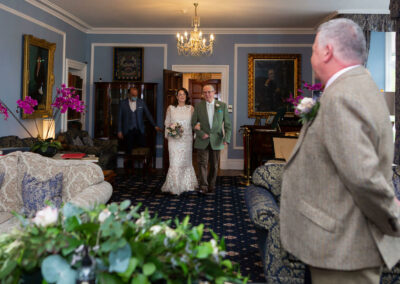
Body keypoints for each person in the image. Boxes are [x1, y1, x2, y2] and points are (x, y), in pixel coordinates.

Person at [280, 18, 400, 284]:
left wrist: (394, 216)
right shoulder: (359, 86)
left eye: (313, 49)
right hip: (337, 243)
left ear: (327, 51)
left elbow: (363, 177)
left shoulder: (343, 96)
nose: (312, 55)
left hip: (344, 249)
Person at [191, 85, 232, 194]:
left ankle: (211, 185)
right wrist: (200, 133)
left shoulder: (222, 106)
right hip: (202, 140)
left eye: (209, 92)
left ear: (214, 92)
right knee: (202, 163)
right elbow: (193, 123)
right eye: (205, 92)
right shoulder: (198, 106)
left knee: (214, 165)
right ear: (203, 94)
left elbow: (228, 124)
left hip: (217, 140)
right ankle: (203, 186)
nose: (207, 94)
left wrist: (226, 138)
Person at [161, 88, 198, 195]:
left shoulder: (190, 108)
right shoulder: (171, 108)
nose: (181, 96)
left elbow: (194, 123)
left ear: (186, 96)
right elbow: (167, 122)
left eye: (184, 94)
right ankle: (174, 186)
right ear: (176, 97)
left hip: (186, 139)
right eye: (179, 94)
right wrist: (171, 131)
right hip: (174, 140)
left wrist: (195, 133)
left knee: (185, 161)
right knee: (174, 162)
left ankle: (187, 184)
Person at [117, 86, 161, 154]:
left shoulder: (141, 102)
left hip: (139, 130)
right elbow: (119, 118)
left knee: (141, 151)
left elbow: (148, 114)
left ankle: (140, 164)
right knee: (128, 151)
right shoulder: (122, 103)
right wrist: (119, 131)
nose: (135, 96)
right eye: (133, 95)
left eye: (136, 95)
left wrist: (154, 125)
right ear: (129, 94)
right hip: (127, 131)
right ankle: (129, 164)